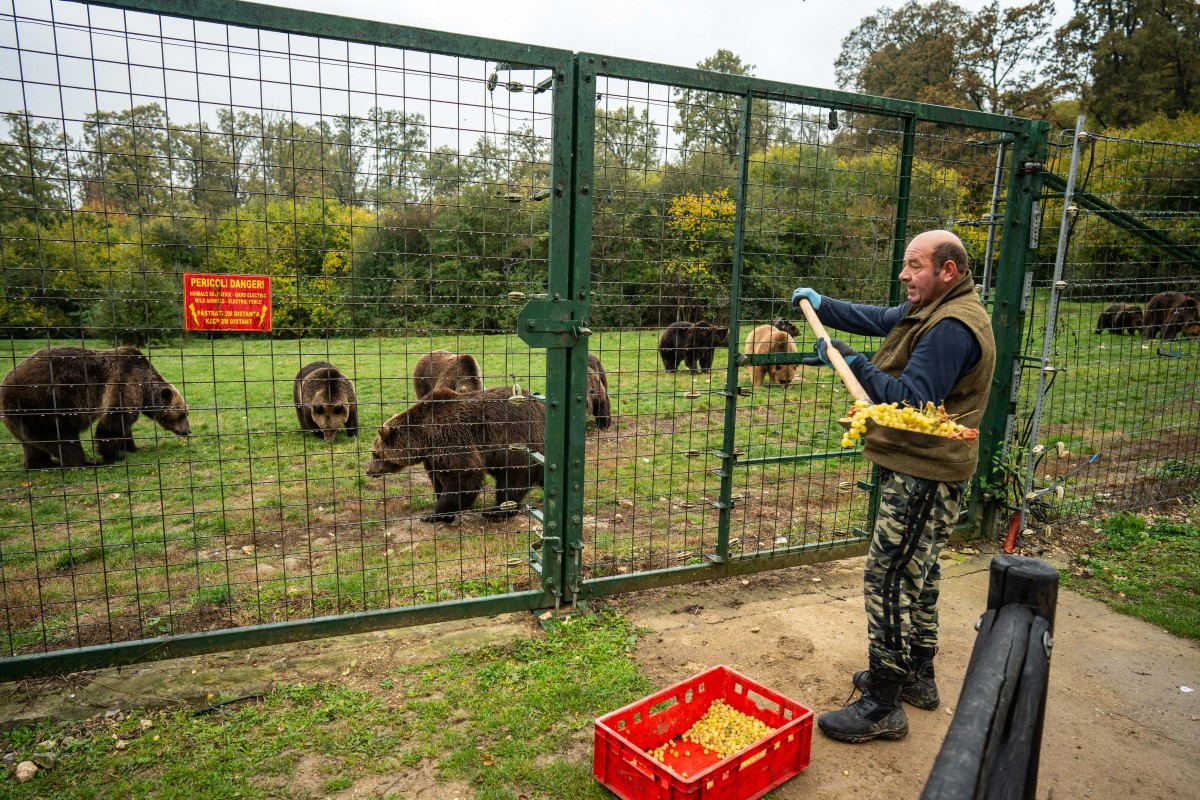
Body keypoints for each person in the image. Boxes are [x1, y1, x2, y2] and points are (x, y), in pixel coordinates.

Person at [791, 229, 996, 743]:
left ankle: (883, 703)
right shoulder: (935, 307)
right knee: (919, 576)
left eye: (914, 265)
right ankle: (918, 678)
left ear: (947, 271)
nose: (904, 275)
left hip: (925, 472)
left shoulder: (951, 327)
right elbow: (880, 319)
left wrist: (852, 361)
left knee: (887, 579)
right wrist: (824, 306)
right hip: (929, 469)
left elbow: (910, 401)